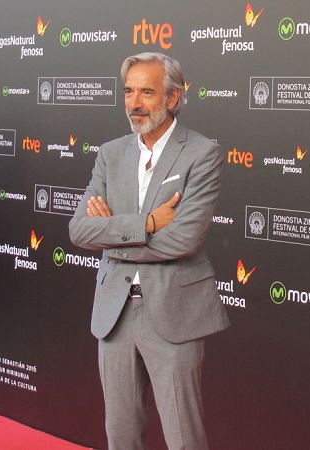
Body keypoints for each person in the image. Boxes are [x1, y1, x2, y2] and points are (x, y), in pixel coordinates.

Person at [69, 52, 229, 450]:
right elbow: (79, 230)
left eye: (146, 92)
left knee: (184, 439)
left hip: (174, 314)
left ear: (172, 98)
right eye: (128, 91)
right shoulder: (110, 154)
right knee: (120, 436)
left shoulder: (202, 153)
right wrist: (148, 224)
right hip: (115, 314)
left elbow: (185, 239)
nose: (134, 103)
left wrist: (114, 237)